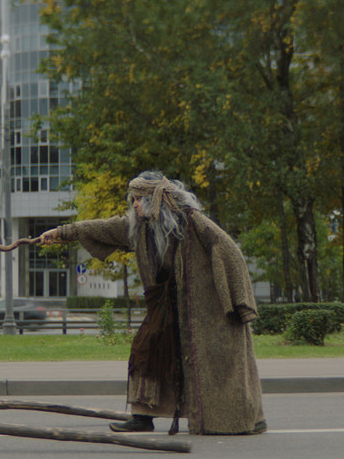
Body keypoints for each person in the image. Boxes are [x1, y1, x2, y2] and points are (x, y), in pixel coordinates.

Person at [39, 171, 266, 435]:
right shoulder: (139, 227)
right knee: (146, 353)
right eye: (133, 199)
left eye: (139, 198)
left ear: (157, 198)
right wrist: (61, 232)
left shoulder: (192, 222)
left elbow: (229, 252)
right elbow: (102, 227)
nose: (134, 205)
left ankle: (247, 417)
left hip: (205, 310)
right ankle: (142, 416)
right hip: (162, 307)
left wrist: (240, 300)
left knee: (217, 363)